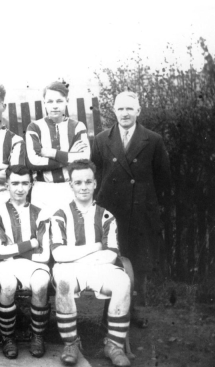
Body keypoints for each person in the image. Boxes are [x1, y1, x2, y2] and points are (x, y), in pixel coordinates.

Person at [91, 91, 171, 326]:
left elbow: (163, 179)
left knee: (139, 262)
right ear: (113, 111)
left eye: (129, 108)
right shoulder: (101, 139)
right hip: (112, 210)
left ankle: (134, 310)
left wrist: (156, 208)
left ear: (138, 111)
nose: (125, 113)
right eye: (120, 109)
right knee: (113, 260)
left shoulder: (153, 140)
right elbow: (95, 175)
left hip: (141, 211)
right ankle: (110, 311)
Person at [51, 159, 132, 367]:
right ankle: (71, 344)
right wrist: (94, 247)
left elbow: (111, 254)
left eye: (88, 181)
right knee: (64, 283)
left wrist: (78, 255)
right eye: (78, 183)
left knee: (122, 281)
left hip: (100, 267)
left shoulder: (106, 216)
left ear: (95, 183)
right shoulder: (60, 215)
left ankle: (113, 345)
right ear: (71, 185)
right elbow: (59, 253)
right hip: (70, 268)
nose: (84, 187)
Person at [0, 165, 51, 359]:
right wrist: (31, 243)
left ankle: (37, 336)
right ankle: (7, 338)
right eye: (15, 183)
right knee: (7, 284)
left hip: (35, 265)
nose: (20, 188)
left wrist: (15, 250)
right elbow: (0, 252)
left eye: (25, 183)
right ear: (6, 184)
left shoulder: (41, 213)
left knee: (41, 283)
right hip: (5, 266)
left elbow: (45, 255)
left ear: (31, 185)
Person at [24, 81, 90, 214]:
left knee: (71, 232)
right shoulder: (34, 127)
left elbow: (84, 158)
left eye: (59, 101)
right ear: (44, 103)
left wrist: (50, 152)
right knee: (43, 232)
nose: (54, 106)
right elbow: (33, 162)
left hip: (70, 188)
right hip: (43, 189)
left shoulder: (78, 126)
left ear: (67, 101)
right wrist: (70, 155)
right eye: (50, 101)